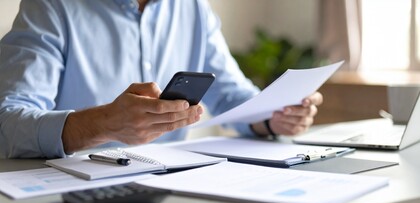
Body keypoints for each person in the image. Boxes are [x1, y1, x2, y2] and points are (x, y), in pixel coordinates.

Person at [0, 0, 323, 159]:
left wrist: (274, 116)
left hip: (169, 188)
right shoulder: (52, 6)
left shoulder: (192, 7)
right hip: (64, 198)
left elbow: (230, 95)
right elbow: (8, 122)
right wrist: (102, 124)